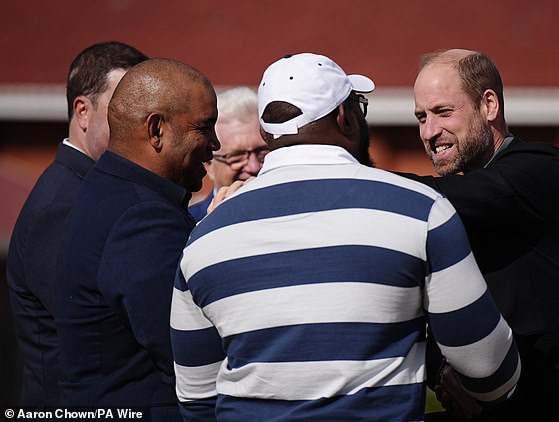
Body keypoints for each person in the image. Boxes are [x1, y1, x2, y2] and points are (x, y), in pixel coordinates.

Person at [170, 52, 520, 421]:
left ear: (265, 134)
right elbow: (489, 370)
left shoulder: (204, 237)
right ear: (345, 118)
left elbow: (197, 398)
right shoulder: (421, 211)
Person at [403, 48, 559, 421]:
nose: (429, 132)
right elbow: (423, 312)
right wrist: (443, 372)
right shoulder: (457, 204)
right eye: (421, 117)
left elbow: (444, 197)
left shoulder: (541, 170)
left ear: (488, 105)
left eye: (442, 112)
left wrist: (353, 182)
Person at [55, 58, 219, 419]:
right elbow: (185, 351)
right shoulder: (141, 218)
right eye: (205, 128)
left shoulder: (108, 188)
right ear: (156, 129)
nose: (215, 144)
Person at [5, 41, 148, 408]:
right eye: (122, 110)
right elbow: (95, 331)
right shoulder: (62, 206)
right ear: (82, 112)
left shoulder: (98, 191)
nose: (141, 124)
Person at [189, 87, 269, 221]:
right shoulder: (190, 224)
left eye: (262, 151)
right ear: (209, 165)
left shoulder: (295, 212)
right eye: (237, 157)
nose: (254, 167)